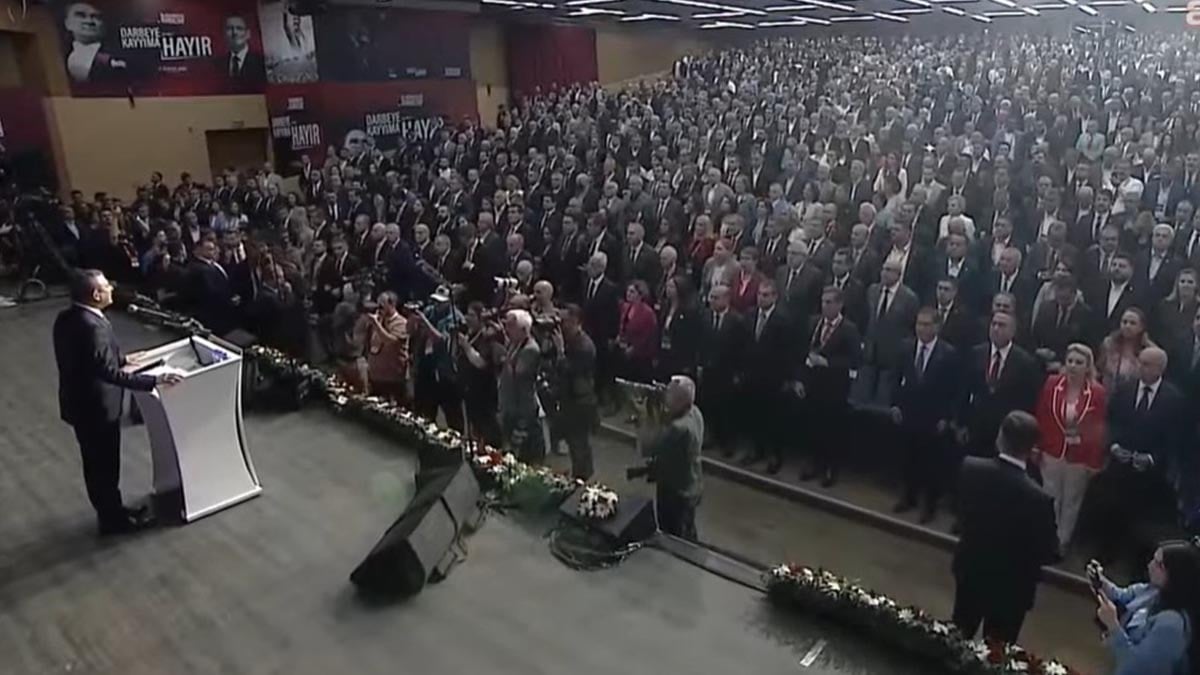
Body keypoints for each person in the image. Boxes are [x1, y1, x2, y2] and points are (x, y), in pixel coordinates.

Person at [53, 269, 183, 535]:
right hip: (97, 409)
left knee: (96, 465)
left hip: (78, 405)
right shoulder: (92, 326)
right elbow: (106, 372)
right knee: (104, 468)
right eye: (106, 286)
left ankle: (112, 511)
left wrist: (122, 359)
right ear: (95, 294)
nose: (111, 288)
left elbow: (86, 358)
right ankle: (114, 522)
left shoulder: (67, 318)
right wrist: (153, 380)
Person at [952, 411, 1058, 643]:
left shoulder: (970, 469)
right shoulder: (1040, 499)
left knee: (957, 637)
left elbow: (962, 513)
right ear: (1031, 449)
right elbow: (1049, 552)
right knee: (997, 652)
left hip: (971, 571)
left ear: (1000, 437)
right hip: (1012, 590)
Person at [1033, 343, 1107, 551]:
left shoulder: (1097, 393)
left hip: (1080, 456)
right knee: (1050, 496)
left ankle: (1062, 542)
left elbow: (1098, 429)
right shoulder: (1052, 384)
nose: (1073, 366)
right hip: (1052, 449)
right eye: (1070, 361)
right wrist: (1037, 446)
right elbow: (1041, 414)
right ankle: (1046, 537)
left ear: (1088, 366)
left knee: (1071, 501)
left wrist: (1093, 462)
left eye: (1079, 362)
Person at [891, 307, 960, 523]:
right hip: (908, 413)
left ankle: (929, 506)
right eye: (919, 324)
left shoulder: (948, 354)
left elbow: (954, 390)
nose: (921, 328)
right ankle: (907, 497)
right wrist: (895, 405)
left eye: (926, 324)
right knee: (907, 458)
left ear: (937, 327)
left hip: (934, 417)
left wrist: (947, 418)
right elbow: (895, 378)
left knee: (931, 465)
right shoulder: (905, 347)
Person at [1092, 542, 1200, 675]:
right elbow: (1123, 596)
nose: (1150, 565)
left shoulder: (1172, 625)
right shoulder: (1154, 591)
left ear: (1176, 575)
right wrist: (1100, 581)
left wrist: (1113, 625)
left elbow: (1137, 669)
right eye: (1153, 559)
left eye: (1159, 565)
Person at [799, 286, 861, 487]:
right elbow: (803, 350)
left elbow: (854, 361)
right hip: (813, 384)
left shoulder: (849, 329)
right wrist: (801, 379)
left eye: (829, 302)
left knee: (832, 431)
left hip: (835, 387)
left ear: (839, 305)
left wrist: (828, 363)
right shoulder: (813, 322)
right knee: (813, 426)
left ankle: (830, 468)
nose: (824, 306)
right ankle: (813, 463)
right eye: (823, 302)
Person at [643, 375, 704, 540]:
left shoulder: (678, 429)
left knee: (672, 532)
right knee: (688, 526)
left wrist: (649, 415)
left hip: (675, 490)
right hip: (692, 482)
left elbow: (649, 448)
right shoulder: (695, 412)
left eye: (669, 393)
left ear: (678, 400)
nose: (665, 395)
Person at [549, 304, 597, 479]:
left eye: (564, 321)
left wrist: (561, 351)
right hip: (568, 399)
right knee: (572, 442)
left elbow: (570, 370)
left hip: (580, 402)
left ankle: (582, 478)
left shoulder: (585, 346)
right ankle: (580, 475)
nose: (561, 325)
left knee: (579, 444)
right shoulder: (569, 339)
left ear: (575, 321)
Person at [498, 309, 544, 463]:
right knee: (508, 448)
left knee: (523, 450)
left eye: (511, 326)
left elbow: (519, 371)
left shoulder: (530, 349)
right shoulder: (514, 344)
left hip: (523, 407)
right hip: (509, 404)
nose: (507, 330)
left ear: (524, 330)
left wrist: (505, 359)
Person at [354, 291, 409, 402]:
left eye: (382, 305)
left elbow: (391, 341)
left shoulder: (401, 322)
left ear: (392, 304)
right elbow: (359, 338)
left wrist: (376, 324)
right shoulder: (377, 320)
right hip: (375, 375)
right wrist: (364, 321)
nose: (379, 308)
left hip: (392, 378)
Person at [1099, 308, 1158, 390]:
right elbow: (1100, 368)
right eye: (1124, 322)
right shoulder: (1108, 343)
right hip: (1109, 390)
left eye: (1132, 323)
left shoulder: (1150, 349)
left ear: (1141, 327)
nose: (1127, 326)